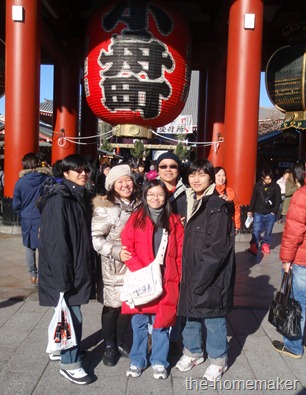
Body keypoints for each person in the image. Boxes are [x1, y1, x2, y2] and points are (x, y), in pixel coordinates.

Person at [175, 159, 236, 381]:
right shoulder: (189, 200)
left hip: (210, 272)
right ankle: (192, 352)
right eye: (192, 174)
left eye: (202, 174)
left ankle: (218, 359)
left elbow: (217, 248)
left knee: (213, 316)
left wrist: (200, 277)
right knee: (190, 314)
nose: (196, 179)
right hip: (190, 269)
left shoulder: (215, 206)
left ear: (211, 177)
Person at [37, 154, 94, 385]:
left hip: (74, 267)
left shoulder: (76, 195)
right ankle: (69, 364)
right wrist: (62, 281)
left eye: (85, 170)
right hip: (65, 271)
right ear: (66, 173)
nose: (83, 173)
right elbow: (56, 243)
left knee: (68, 314)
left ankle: (64, 350)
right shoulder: (60, 199)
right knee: (72, 316)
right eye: (77, 170)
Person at [121, 179, 184, 379]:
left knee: (161, 324)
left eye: (159, 194)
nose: (155, 198)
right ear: (145, 197)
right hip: (141, 279)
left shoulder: (174, 220)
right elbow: (127, 246)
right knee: (139, 323)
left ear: (166, 197)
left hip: (167, 279)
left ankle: (159, 361)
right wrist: (143, 271)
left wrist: (180, 276)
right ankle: (137, 360)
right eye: (151, 194)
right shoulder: (136, 218)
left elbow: (181, 253)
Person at [91, 164, 142, 367]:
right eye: (119, 181)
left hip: (137, 264)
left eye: (127, 179)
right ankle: (110, 345)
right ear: (112, 185)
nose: (125, 184)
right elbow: (96, 239)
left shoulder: (140, 203)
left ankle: (121, 341)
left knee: (129, 306)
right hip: (114, 265)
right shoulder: (105, 207)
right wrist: (115, 251)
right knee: (112, 307)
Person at [272, 162, 306, 359]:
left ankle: (293, 345)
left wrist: (286, 258)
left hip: (302, 258)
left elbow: (294, 231)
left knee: (297, 302)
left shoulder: (302, 195)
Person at [156, 151, 189, 348]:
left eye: (173, 166)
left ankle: (175, 336)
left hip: (180, 250)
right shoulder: (150, 190)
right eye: (163, 166)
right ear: (157, 169)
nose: (168, 169)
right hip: (156, 250)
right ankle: (157, 333)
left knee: (177, 292)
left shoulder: (189, 192)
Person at [12, 152, 52, 284]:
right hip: (43, 216)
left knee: (29, 248)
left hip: (27, 217)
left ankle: (32, 274)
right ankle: (42, 274)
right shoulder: (46, 179)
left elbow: (16, 204)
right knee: (43, 248)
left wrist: (22, 213)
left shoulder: (20, 183)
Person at [247, 168, 281, 255]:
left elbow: (278, 200)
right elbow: (253, 198)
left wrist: (274, 211)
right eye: (266, 179)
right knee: (256, 230)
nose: (268, 181)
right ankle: (254, 245)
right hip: (258, 211)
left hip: (270, 213)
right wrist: (250, 210)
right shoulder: (257, 186)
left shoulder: (275, 187)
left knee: (268, 230)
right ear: (262, 178)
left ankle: (265, 244)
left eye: (269, 179)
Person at [214, 166, 241, 234]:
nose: (221, 178)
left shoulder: (229, 191)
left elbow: (236, 208)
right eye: (218, 175)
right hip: (213, 226)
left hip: (227, 226)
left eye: (223, 175)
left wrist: (237, 225)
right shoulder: (209, 191)